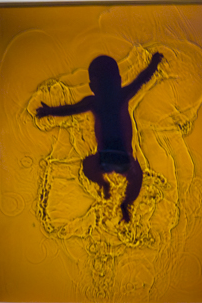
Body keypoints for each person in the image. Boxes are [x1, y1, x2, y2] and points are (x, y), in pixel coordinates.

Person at [37, 51, 163, 222]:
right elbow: (141, 80)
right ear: (118, 81)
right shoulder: (121, 95)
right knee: (136, 176)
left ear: (92, 86)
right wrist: (154, 64)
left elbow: (71, 109)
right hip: (124, 157)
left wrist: (50, 111)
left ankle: (104, 184)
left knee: (88, 165)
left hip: (103, 158)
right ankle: (125, 203)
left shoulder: (94, 102)